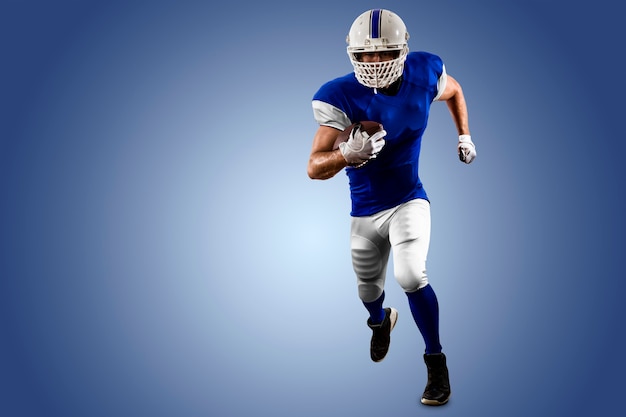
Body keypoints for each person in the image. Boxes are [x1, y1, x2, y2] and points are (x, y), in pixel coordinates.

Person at [306, 9, 476, 406]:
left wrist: (465, 135)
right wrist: (346, 155)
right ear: (353, 55)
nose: (373, 63)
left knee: (411, 274)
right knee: (368, 288)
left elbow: (453, 90)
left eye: (382, 55)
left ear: (402, 51)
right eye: (365, 56)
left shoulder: (424, 72)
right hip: (364, 209)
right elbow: (314, 166)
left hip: (408, 198)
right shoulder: (340, 95)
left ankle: (436, 361)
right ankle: (380, 322)